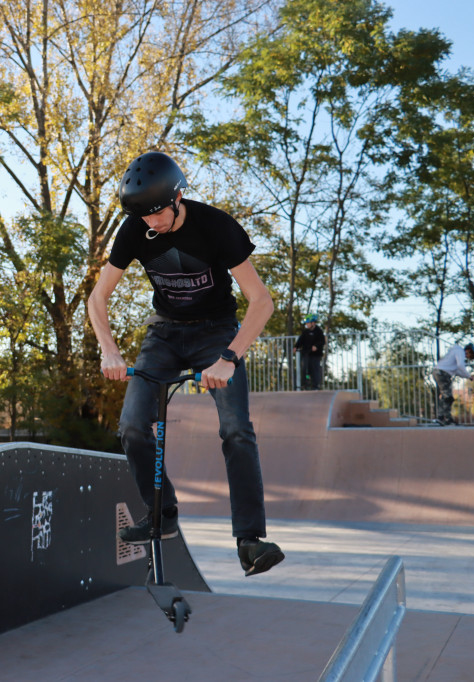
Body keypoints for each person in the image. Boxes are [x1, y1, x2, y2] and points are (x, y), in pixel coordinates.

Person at [88, 151, 284, 577]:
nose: (152, 224)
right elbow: (97, 296)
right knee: (133, 427)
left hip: (216, 332)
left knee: (236, 429)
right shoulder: (135, 229)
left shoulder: (217, 227)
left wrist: (230, 357)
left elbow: (261, 301)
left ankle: (250, 540)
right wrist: (110, 350)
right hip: (163, 335)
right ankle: (163, 513)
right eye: (144, 217)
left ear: (178, 197)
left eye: (158, 213)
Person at [433, 343, 474, 426]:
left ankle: (443, 417)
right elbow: (460, 366)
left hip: (439, 372)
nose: (469, 358)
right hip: (442, 373)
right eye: (471, 356)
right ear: (469, 351)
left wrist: (468, 377)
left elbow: (457, 371)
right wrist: (468, 375)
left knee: (447, 396)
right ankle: (444, 418)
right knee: (448, 396)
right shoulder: (460, 352)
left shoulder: (455, 353)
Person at [293, 314, 326, 390]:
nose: (307, 325)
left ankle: (315, 386)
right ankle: (305, 385)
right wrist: (296, 347)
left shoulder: (319, 331)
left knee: (314, 369)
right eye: (306, 323)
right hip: (306, 353)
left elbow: (322, 341)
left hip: (315, 355)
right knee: (305, 369)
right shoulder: (305, 332)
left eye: (308, 323)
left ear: (313, 323)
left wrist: (316, 346)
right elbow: (300, 340)